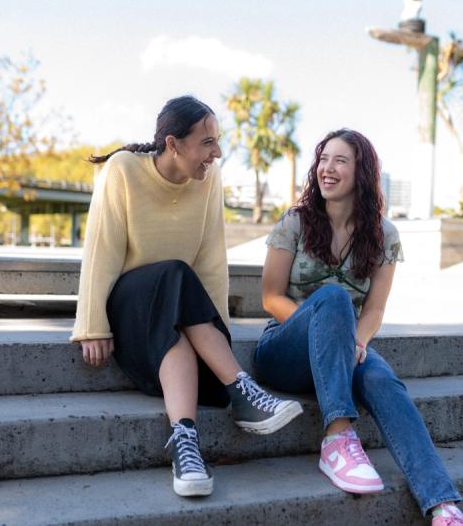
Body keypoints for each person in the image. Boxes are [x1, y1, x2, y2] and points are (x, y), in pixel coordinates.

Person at [70, 95, 302, 498]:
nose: (217, 153)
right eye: (207, 142)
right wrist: (92, 325)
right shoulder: (123, 169)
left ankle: (186, 448)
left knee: (178, 295)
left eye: (217, 141)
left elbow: (211, 260)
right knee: (175, 271)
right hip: (130, 311)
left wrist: (216, 338)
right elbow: (100, 250)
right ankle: (243, 391)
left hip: (173, 314)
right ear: (173, 144)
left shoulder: (208, 179)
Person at [254, 129, 463, 525]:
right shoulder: (295, 222)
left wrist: (354, 341)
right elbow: (270, 297)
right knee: (334, 298)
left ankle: (443, 505)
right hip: (284, 349)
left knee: (383, 381)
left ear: (362, 172)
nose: (327, 168)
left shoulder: (384, 234)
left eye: (340, 160)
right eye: (323, 159)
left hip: (346, 346)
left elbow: (374, 310)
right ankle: (337, 438)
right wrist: (327, 330)